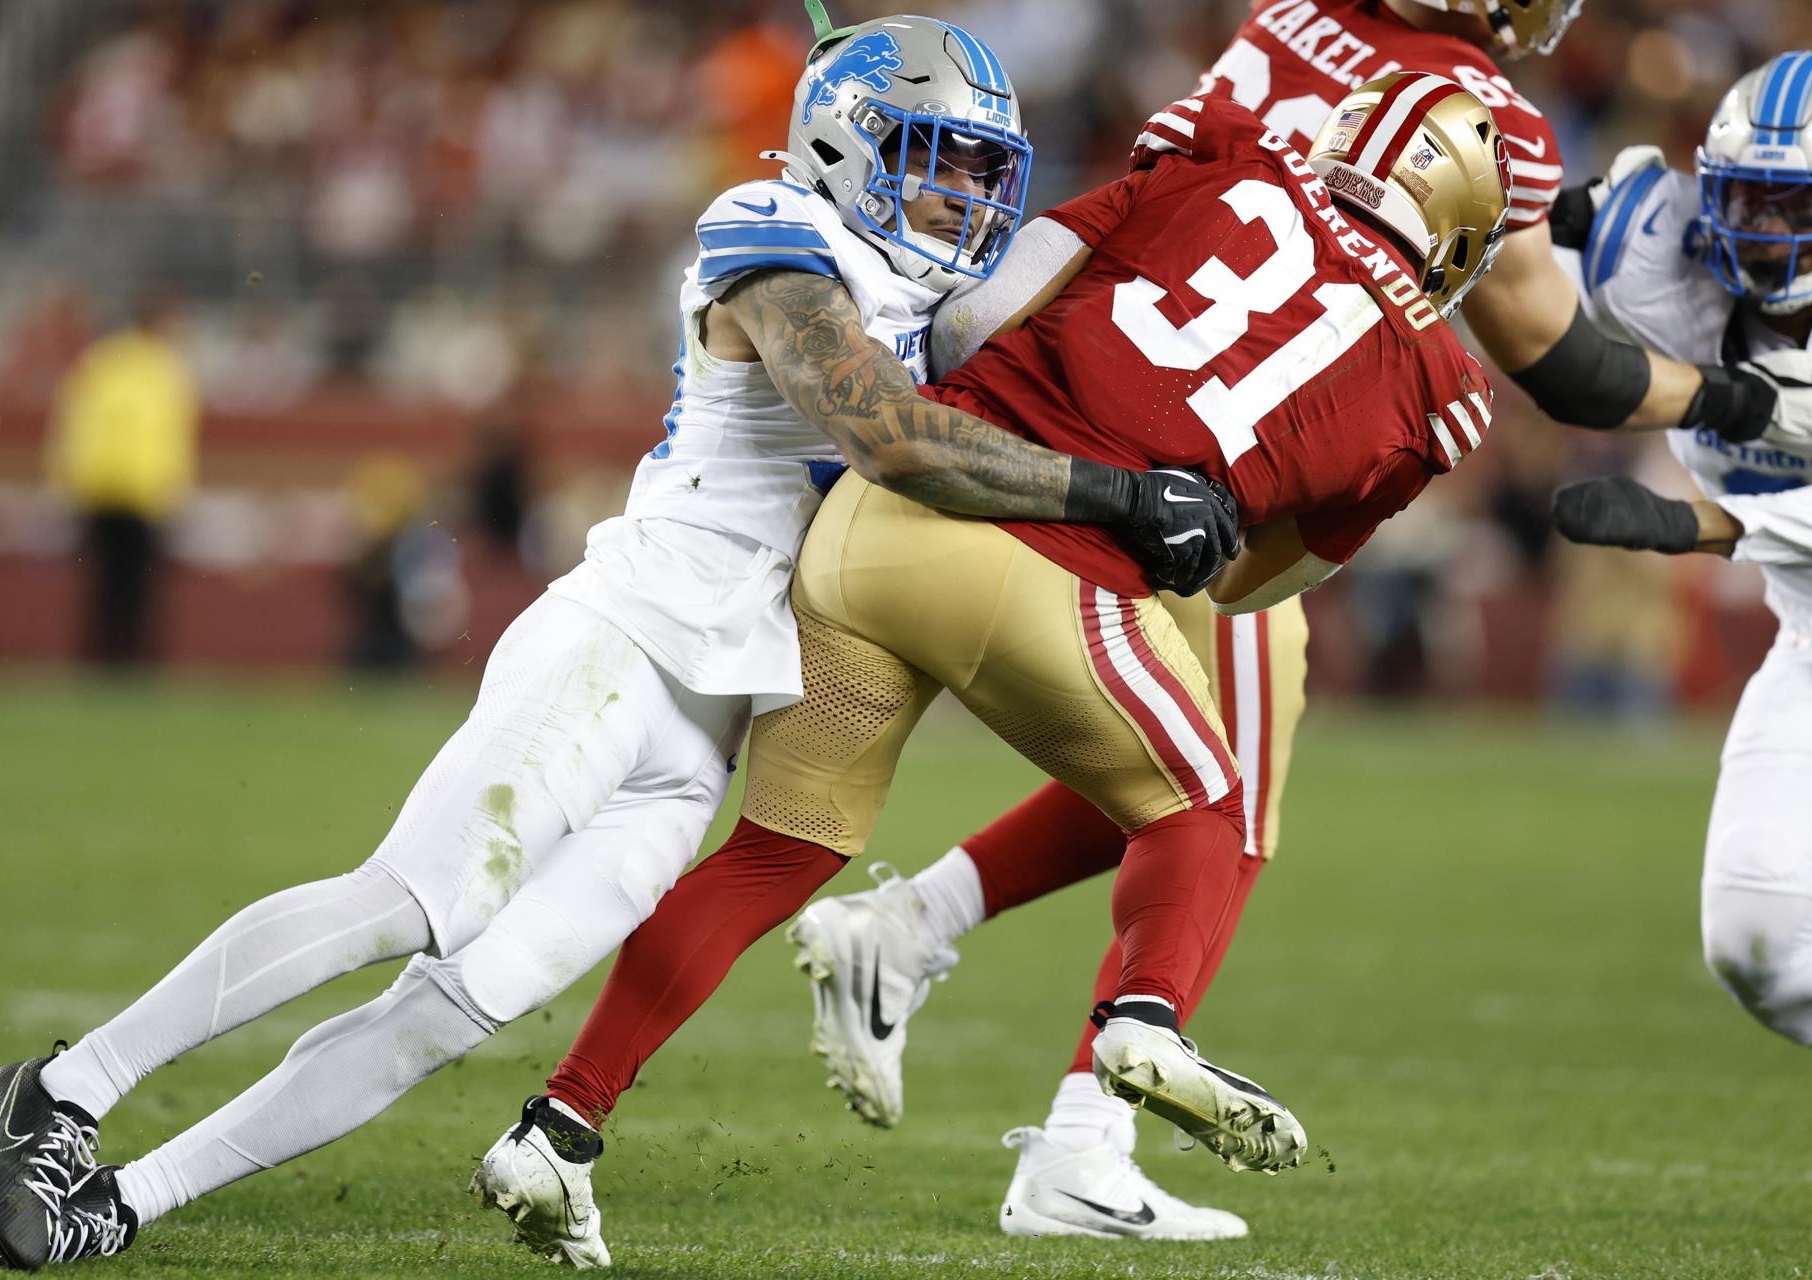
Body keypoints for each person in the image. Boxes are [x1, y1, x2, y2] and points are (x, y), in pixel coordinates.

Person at [0, 17, 1239, 1270]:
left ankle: (126, 1201)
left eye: (980, 168)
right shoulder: (774, 232)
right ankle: (69, 1085)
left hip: (716, 719)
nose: (965, 194)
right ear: (847, 146)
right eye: (936, 157)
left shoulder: (939, 293)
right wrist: (1120, 497)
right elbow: (887, 432)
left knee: (461, 1008)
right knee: (417, 901)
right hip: (626, 634)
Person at [780, 0, 1812, 1242]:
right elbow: (1553, 358)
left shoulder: (1295, 14)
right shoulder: (1488, 114)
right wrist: (1742, 400)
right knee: (1226, 807)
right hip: (1249, 433)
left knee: (1167, 777)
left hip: (1119, 357)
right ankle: (1077, 1142)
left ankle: (912, 926)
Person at [473, 72, 1511, 1265]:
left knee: (780, 849)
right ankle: (1145, 1018)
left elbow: (974, 320)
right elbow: (1247, 581)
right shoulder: (1438, 384)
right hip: (1049, 570)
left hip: (875, 520)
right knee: (1208, 801)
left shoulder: (1215, 166)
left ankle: (559, 1124)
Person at [1545, 51, 1812, 1050]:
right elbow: (1520, 254)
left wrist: (1697, 524)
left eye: (1794, 206)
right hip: (1808, 640)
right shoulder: (1666, 261)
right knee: (1750, 938)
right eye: (1750, 196)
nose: (1763, 227)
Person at [45, 286, 197, 667]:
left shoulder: (105, 362)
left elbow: (77, 427)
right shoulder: (162, 369)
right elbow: (167, 438)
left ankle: (109, 658)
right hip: (136, 492)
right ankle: (125, 660)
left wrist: (71, 480)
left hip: (106, 489)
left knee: (113, 584)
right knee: (132, 586)